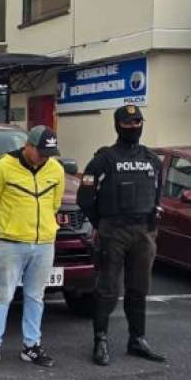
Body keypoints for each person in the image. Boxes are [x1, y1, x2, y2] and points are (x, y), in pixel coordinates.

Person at [76, 105, 168, 366]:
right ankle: (100, 341)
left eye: (137, 122)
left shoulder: (152, 160)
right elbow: (85, 198)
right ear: (117, 126)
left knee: (139, 289)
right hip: (112, 231)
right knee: (107, 290)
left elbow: (157, 194)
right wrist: (100, 223)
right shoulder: (103, 160)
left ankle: (137, 340)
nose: (133, 127)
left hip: (143, 232)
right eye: (127, 124)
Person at [0, 126, 65, 369]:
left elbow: (55, 204)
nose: (45, 157)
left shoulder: (55, 170)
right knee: (2, 296)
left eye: (49, 153)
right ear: (28, 146)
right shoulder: (2, 168)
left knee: (35, 296)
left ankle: (31, 346)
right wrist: (4, 230)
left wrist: (43, 229)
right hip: (11, 243)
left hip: (44, 243)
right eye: (41, 152)